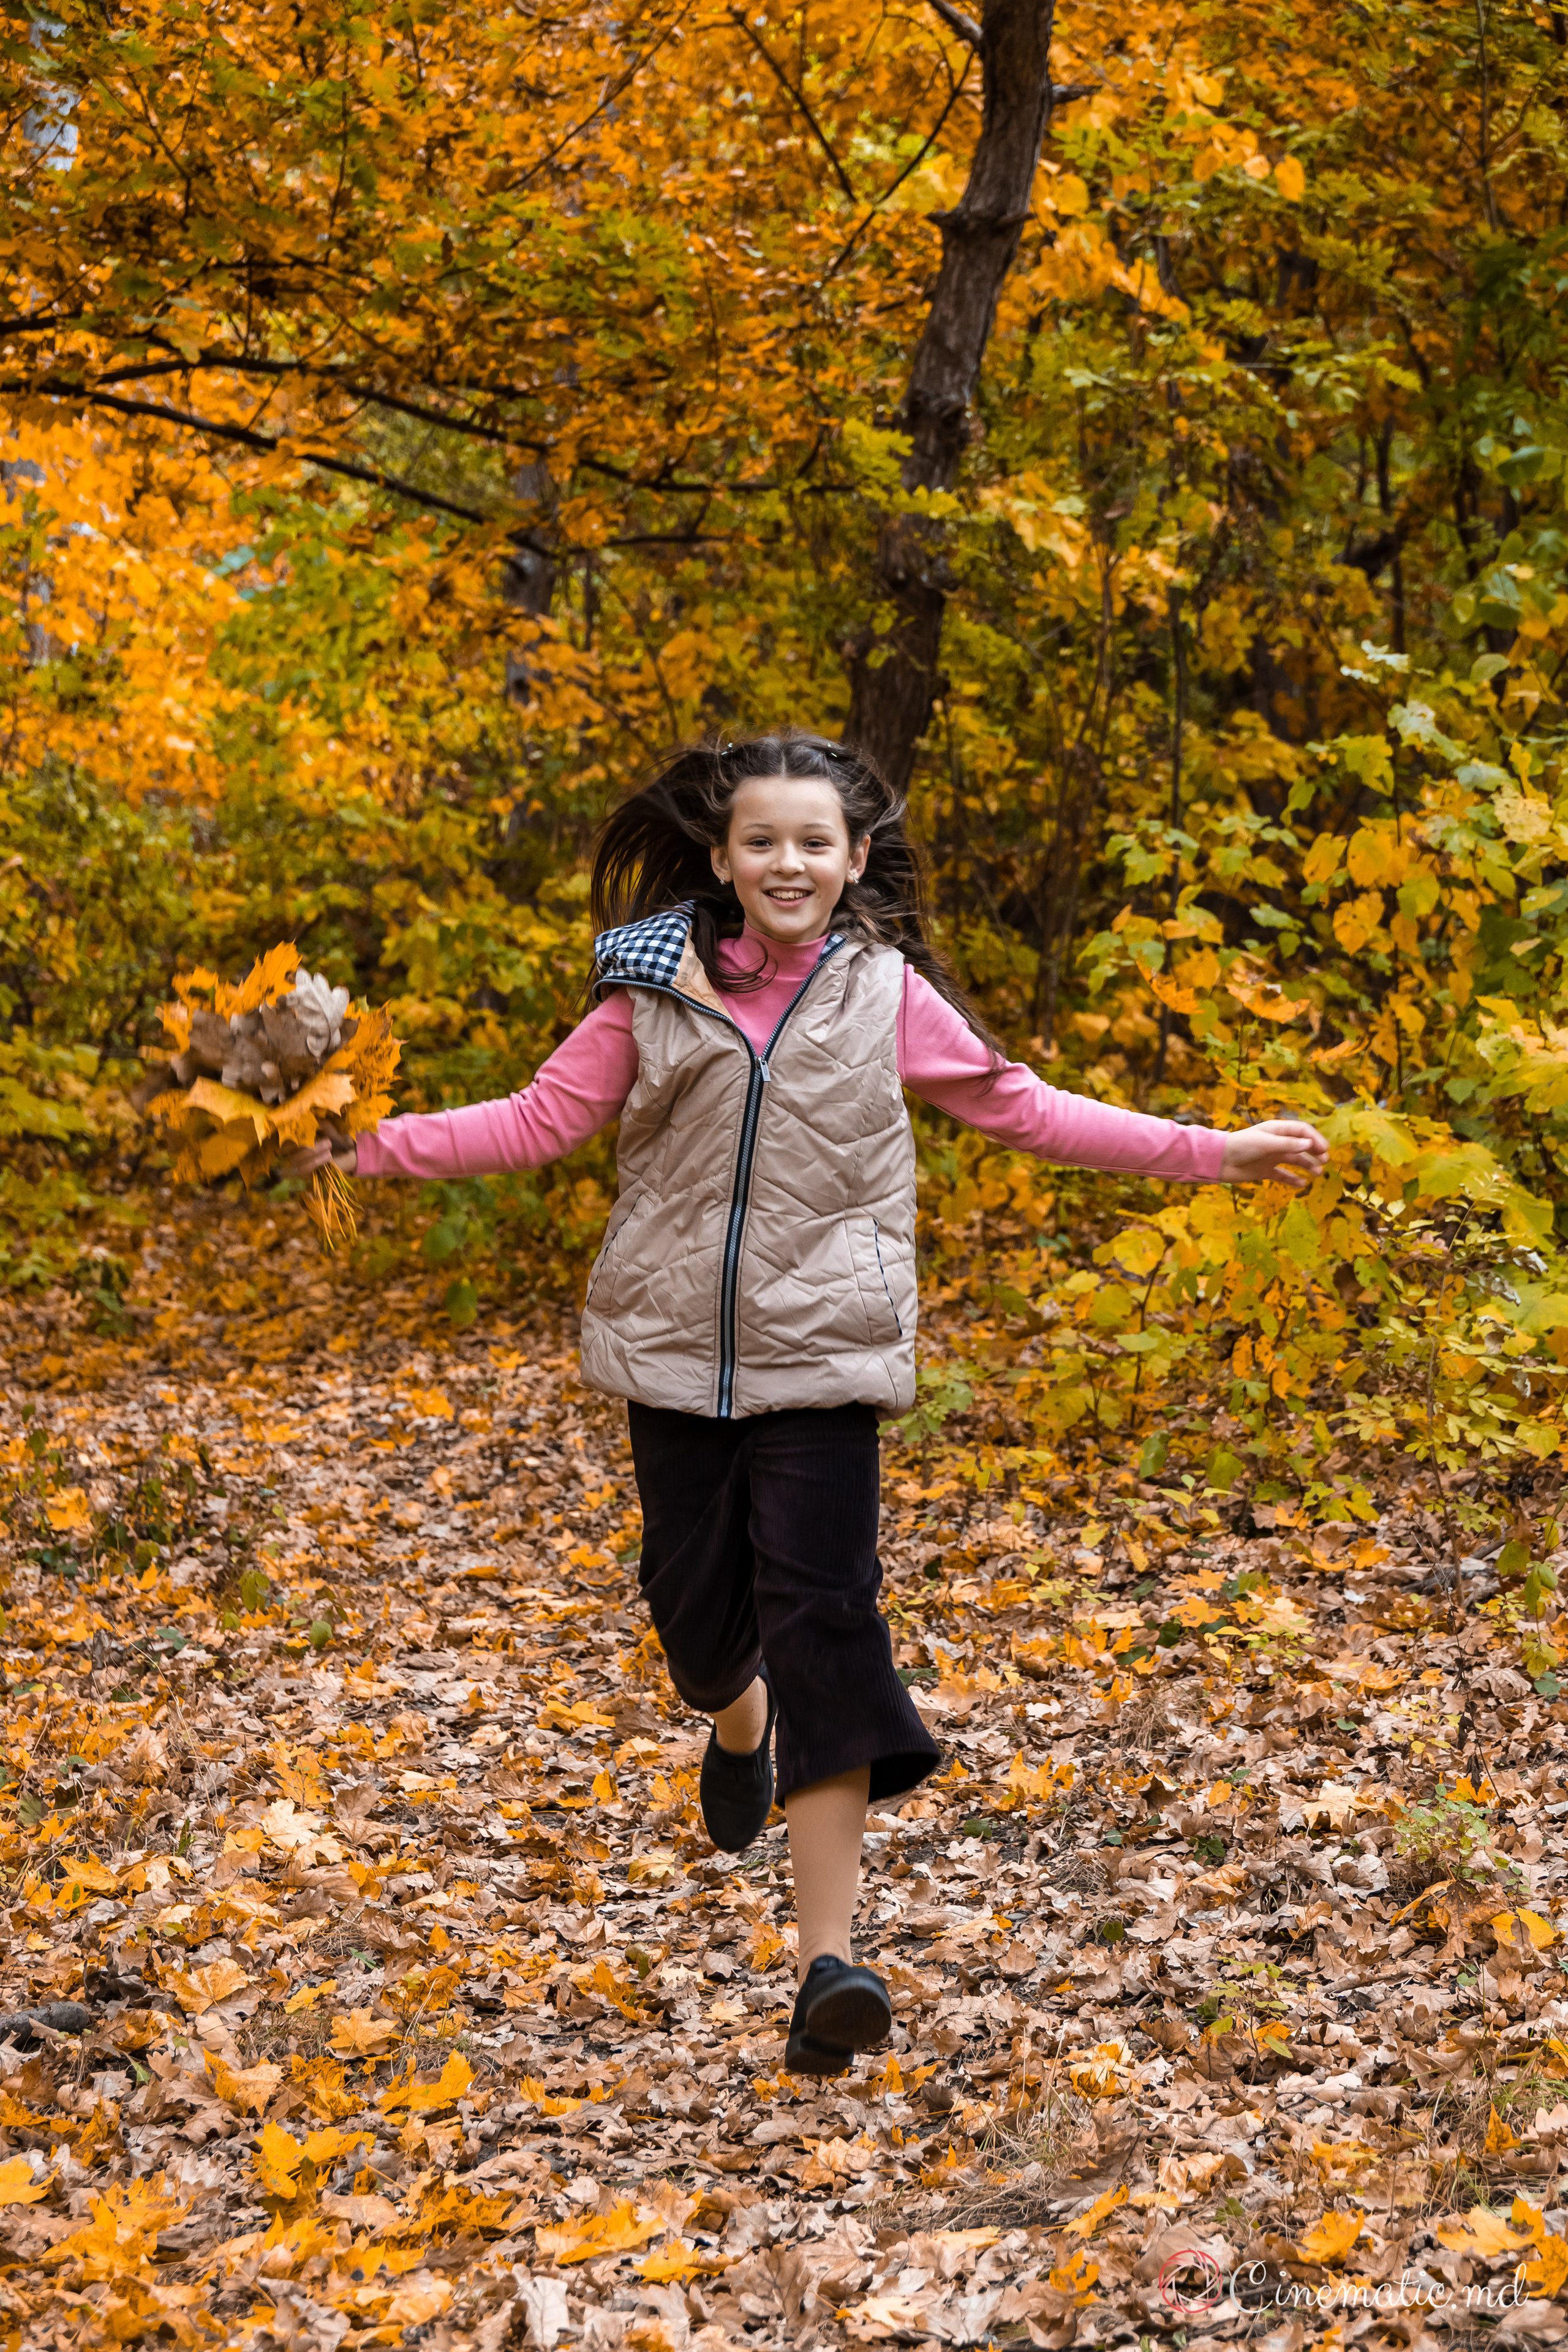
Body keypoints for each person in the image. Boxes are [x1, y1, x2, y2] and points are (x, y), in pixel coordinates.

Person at [287, 730, 1327, 2075]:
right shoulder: (647, 994)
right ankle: (737, 1718)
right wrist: (362, 1148)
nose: (789, 862)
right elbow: (535, 1123)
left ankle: (826, 1962)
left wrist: (1213, 1153)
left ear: (852, 862)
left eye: (814, 842)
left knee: (829, 1621)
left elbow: (1025, 1111)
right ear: (721, 859)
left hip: (824, 1360)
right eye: (763, 841)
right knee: (696, 1620)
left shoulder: (882, 995)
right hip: (671, 1360)